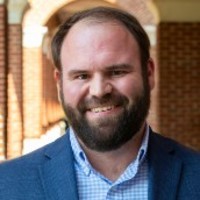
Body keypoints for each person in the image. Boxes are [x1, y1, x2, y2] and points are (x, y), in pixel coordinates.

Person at [0, 6, 200, 200]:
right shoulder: (7, 184)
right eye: (81, 76)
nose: (99, 91)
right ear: (59, 84)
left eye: (117, 72)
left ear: (149, 74)